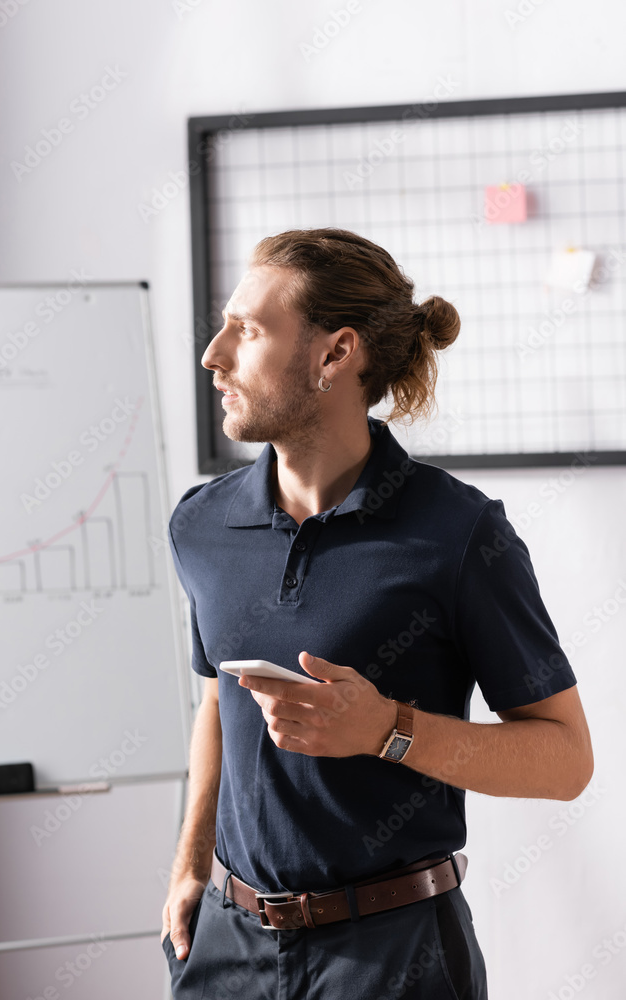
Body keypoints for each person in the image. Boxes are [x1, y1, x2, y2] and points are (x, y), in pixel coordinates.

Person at [161, 228, 593, 999]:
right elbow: (217, 703)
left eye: (248, 330)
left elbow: (564, 760)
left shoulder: (458, 534)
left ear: (336, 354)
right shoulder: (201, 525)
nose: (213, 354)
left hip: (394, 957)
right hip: (225, 945)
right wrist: (190, 865)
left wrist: (387, 731)